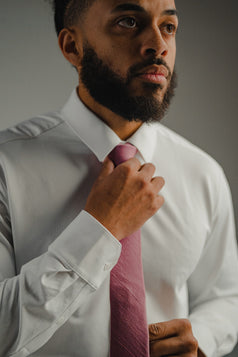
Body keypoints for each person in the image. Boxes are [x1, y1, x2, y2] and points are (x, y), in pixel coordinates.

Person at [0, 0, 237, 356]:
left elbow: (225, 296)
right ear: (72, 46)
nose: (158, 45)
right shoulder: (6, 166)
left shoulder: (204, 174)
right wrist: (100, 228)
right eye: (129, 22)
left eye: (168, 27)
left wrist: (199, 339)